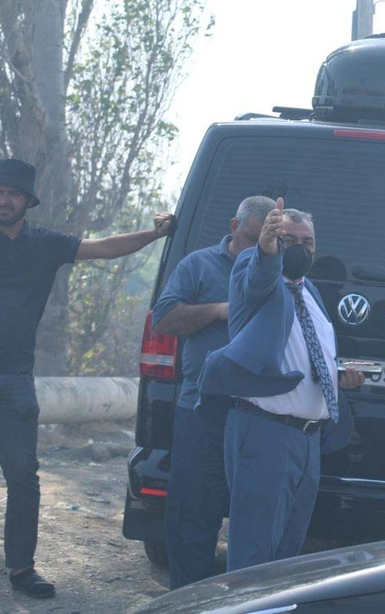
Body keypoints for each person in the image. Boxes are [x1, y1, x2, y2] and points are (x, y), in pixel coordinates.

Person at [0, 158, 175, 600]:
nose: (3, 200)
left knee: (23, 472)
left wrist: (155, 234)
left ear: (28, 201)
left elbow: (105, 247)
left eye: (12, 193)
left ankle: (22, 567)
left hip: (14, 376)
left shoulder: (46, 244)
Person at [197, 200, 365, 571]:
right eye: (289, 239)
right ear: (273, 241)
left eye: (308, 242)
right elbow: (259, 273)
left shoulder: (310, 291)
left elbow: (303, 354)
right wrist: (266, 248)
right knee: (253, 557)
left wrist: (335, 378)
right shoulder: (256, 278)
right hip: (266, 434)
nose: (300, 248)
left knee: (285, 561)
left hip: (308, 441)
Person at [151, 195, 276, 589]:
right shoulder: (198, 265)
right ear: (233, 226)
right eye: (251, 238)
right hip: (202, 411)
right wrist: (219, 309)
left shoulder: (278, 270)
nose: (257, 248)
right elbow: (163, 320)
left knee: (259, 521)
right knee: (192, 516)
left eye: (266, 241)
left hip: (263, 416)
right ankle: (188, 602)